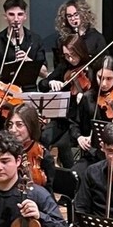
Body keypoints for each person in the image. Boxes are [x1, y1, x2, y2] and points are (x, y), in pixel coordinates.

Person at [39, 32, 92, 168]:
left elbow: (97, 92)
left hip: (80, 120)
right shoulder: (64, 67)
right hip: (63, 118)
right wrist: (50, 83)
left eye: (73, 55)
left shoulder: (91, 66)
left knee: (64, 144)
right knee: (44, 137)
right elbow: (42, 84)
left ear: (80, 51)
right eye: (66, 55)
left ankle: (71, 172)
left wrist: (86, 97)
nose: (70, 59)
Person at [0, 0, 48, 87]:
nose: (16, 19)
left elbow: (45, 73)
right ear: (5, 16)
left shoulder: (35, 39)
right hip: (5, 90)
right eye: (11, 14)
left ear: (25, 16)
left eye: (20, 14)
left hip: (29, 89)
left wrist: (28, 61)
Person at [5, 101, 56, 193]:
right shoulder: (4, 151)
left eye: (19, 125)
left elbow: (48, 191)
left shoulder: (44, 156)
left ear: (31, 126)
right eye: (10, 125)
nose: (13, 130)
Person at [51, 0, 106, 66]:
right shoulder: (62, 38)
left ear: (83, 14)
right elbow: (58, 63)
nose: (73, 18)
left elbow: (102, 62)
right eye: (69, 16)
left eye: (76, 15)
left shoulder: (96, 37)